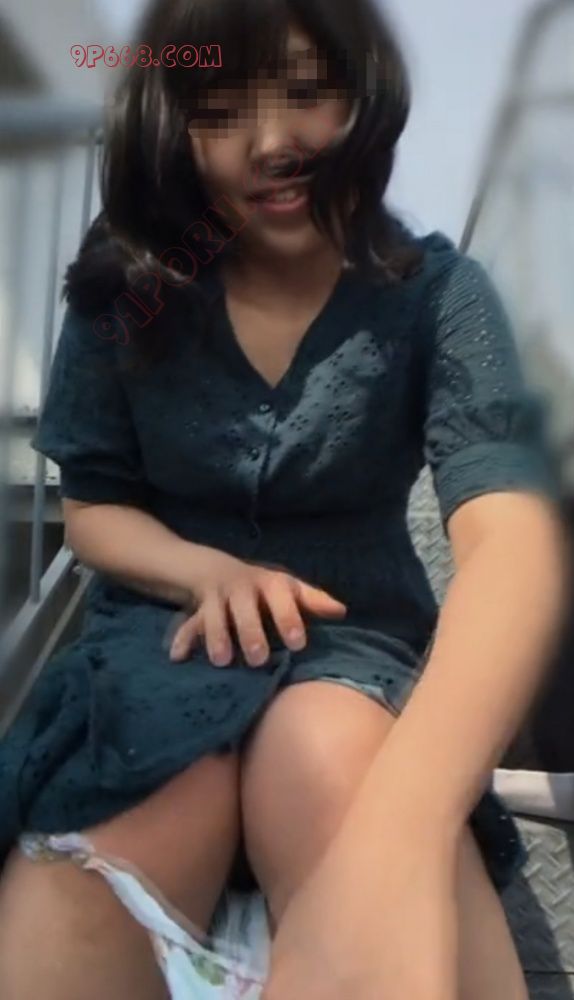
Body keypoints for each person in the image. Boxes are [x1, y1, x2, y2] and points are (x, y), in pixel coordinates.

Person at [0, 0, 565, 997]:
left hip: (353, 645)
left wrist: (401, 830)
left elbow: (510, 542)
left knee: (331, 752)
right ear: (173, 122)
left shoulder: (439, 296)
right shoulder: (133, 288)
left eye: (306, 92)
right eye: (221, 107)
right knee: (119, 799)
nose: (271, 143)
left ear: (363, 97)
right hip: (162, 635)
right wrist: (202, 570)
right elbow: (94, 508)